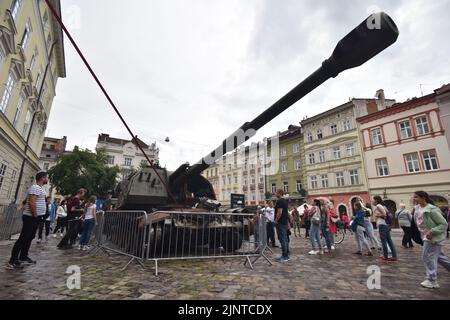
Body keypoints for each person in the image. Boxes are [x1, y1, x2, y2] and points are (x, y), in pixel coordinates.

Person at [7, 172, 48, 270]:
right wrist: (34, 215)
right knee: (23, 238)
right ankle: (12, 260)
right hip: (31, 217)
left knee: (30, 237)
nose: (47, 179)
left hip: (36, 217)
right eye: (47, 177)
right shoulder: (35, 187)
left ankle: (23, 257)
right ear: (42, 178)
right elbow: (32, 202)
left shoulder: (40, 189)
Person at [413, 191, 450, 289]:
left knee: (427, 257)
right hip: (425, 236)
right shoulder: (417, 208)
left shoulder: (432, 210)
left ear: (423, 198)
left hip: (432, 237)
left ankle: (432, 280)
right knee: (439, 257)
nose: (414, 199)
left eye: (416, 197)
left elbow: (444, 224)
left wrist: (432, 231)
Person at [373, 196, 398, 262]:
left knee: (383, 241)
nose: (372, 201)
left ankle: (385, 256)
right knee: (389, 241)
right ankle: (394, 256)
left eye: (373, 200)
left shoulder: (378, 206)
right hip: (386, 225)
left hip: (382, 225)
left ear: (376, 200)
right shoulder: (383, 206)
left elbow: (384, 215)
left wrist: (377, 216)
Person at [274, 189, 289, 262]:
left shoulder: (280, 201)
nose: (275, 193)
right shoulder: (285, 201)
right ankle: (286, 255)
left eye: (276, 192)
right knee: (285, 239)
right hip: (284, 222)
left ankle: (285, 256)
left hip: (280, 223)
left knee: (282, 239)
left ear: (279, 193)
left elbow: (279, 212)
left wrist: (276, 220)